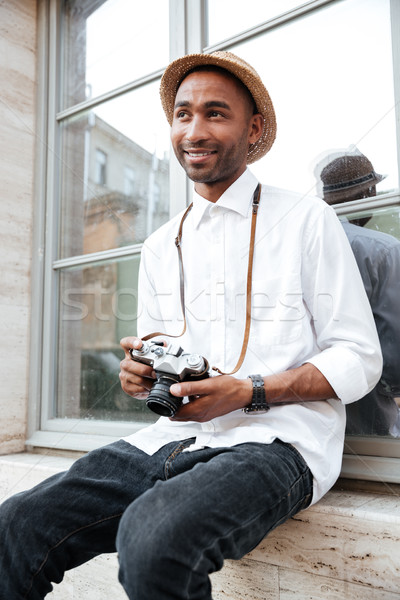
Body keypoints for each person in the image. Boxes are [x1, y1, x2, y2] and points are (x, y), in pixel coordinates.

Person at [0, 52, 382, 600]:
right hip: (174, 436)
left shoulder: (305, 219)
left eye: (215, 114)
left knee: (153, 540)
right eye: (183, 115)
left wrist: (247, 390)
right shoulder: (162, 242)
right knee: (16, 524)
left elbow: (359, 357)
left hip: (278, 443)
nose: (193, 131)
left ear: (252, 130)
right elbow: (160, 352)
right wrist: (141, 375)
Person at [319, 150, 400, 436]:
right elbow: (394, 340)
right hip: (370, 411)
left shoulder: (305, 245)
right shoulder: (383, 250)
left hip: (310, 412)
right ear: (369, 193)